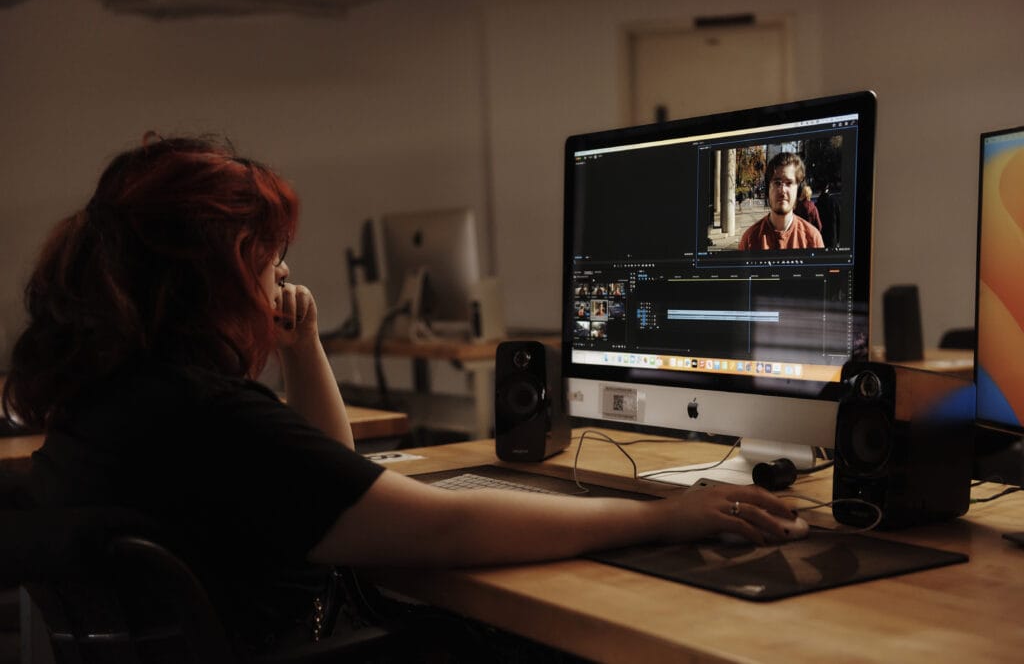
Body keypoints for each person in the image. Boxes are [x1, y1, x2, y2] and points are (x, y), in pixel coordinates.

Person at [2, 136, 798, 656]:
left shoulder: (121, 397)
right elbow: (440, 524)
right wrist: (663, 514)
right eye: (272, 259)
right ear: (222, 272)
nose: (282, 277)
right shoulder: (210, 416)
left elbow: (333, 485)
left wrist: (303, 347)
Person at [738, 152, 825, 250]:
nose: (782, 190)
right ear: (768, 189)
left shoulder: (813, 239)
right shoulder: (749, 240)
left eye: (788, 183)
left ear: (798, 189)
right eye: (777, 183)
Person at [817, 181, 842, 249]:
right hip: (832, 235)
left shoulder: (818, 203)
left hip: (821, 236)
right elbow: (839, 220)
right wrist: (838, 238)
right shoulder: (834, 202)